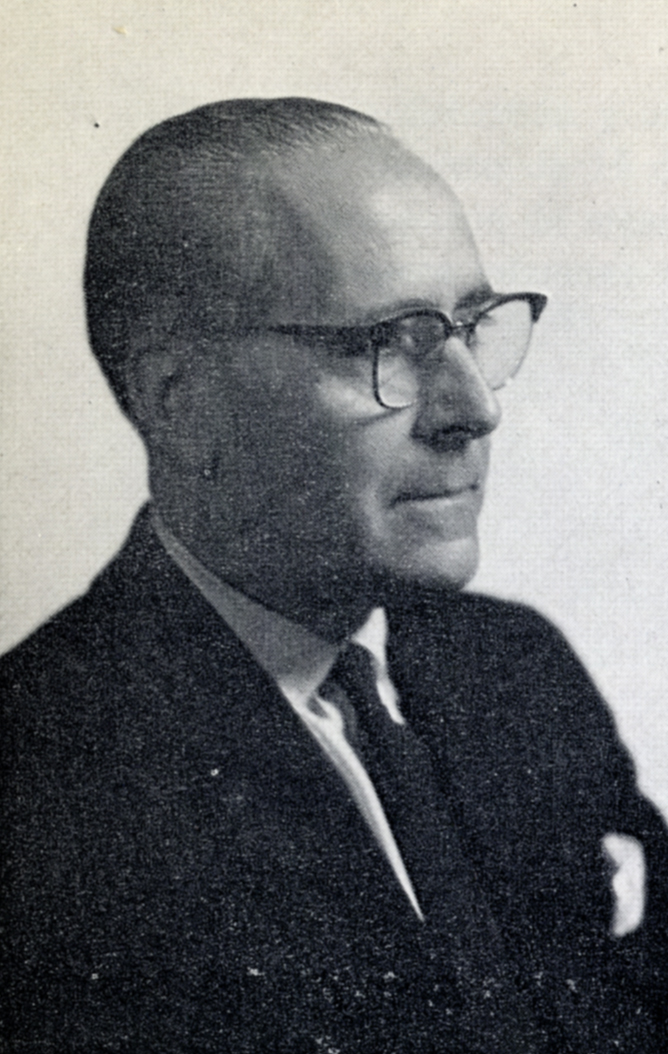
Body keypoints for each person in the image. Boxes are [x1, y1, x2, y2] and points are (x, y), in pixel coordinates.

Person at [1, 98, 667, 1054]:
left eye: (473, 326)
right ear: (184, 406)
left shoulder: (517, 668)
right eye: (386, 343)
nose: (474, 410)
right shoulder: (39, 790)